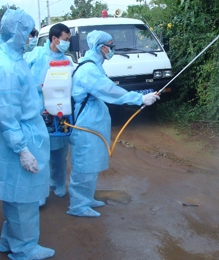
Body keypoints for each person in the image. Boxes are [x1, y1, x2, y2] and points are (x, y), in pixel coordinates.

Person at [0, 9, 55, 259]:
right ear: (17, 33)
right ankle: (24, 248)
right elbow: (7, 115)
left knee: (15, 195)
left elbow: (18, 98)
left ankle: (10, 241)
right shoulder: (6, 68)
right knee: (23, 199)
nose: (33, 37)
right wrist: (22, 149)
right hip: (18, 137)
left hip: (22, 132)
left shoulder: (14, 60)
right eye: (30, 32)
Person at [68, 30, 160, 217]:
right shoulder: (88, 70)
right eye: (110, 46)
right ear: (100, 47)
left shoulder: (94, 65)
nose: (113, 50)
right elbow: (110, 91)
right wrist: (139, 98)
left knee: (91, 163)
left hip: (92, 122)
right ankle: (77, 205)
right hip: (85, 124)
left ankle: (86, 199)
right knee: (84, 165)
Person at [25, 23, 72, 205]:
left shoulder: (67, 61)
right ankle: (39, 192)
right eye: (65, 39)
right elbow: (23, 78)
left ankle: (58, 184)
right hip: (36, 109)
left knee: (59, 152)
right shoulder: (36, 55)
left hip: (59, 112)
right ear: (55, 38)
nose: (67, 43)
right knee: (39, 152)